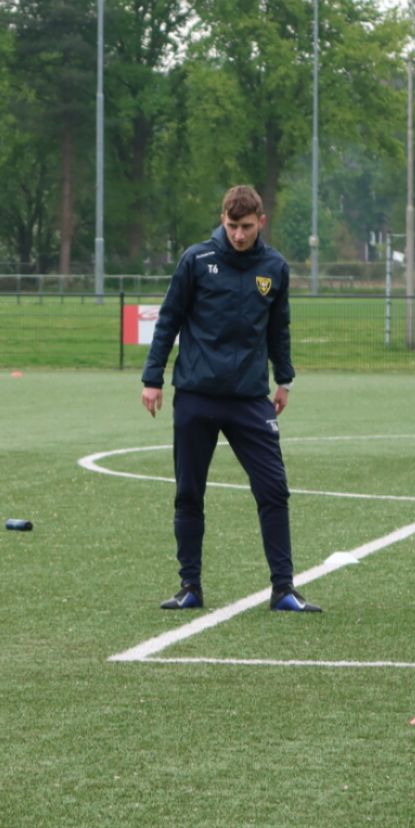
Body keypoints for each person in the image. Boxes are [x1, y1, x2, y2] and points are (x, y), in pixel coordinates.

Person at [140, 185, 321, 613]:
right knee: (189, 493)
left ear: (261, 222)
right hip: (196, 396)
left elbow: (278, 328)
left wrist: (285, 379)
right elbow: (169, 320)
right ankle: (189, 587)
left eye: (246, 226)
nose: (238, 235)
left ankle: (283, 589)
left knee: (274, 489)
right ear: (222, 219)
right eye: (232, 225)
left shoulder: (274, 267)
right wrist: (153, 378)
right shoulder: (196, 259)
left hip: (249, 399)